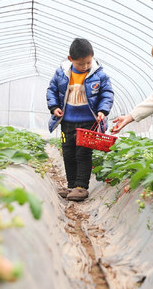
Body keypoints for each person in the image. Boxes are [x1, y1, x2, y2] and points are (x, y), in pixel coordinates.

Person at [47, 37, 114, 201]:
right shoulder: (62, 73)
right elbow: (52, 91)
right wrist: (54, 107)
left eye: (88, 62)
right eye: (80, 64)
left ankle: (81, 187)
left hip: (88, 123)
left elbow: (107, 94)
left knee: (83, 154)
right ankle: (71, 185)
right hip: (66, 123)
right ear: (71, 59)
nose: (85, 66)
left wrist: (102, 111)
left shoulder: (99, 75)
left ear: (93, 57)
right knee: (68, 152)